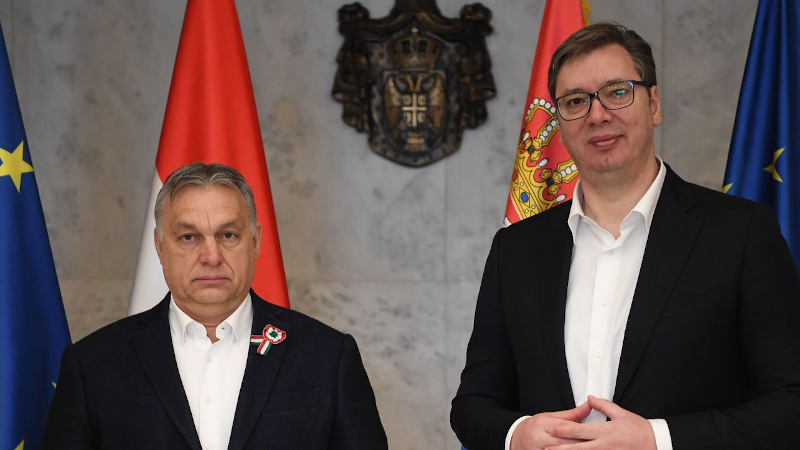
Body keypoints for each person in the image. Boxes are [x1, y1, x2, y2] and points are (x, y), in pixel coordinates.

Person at [451, 23, 800, 450]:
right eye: (575, 101)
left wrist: (658, 439)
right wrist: (517, 434)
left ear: (653, 104)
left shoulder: (741, 233)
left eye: (617, 92)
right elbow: (473, 404)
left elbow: (791, 403)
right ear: (560, 123)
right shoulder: (516, 250)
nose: (597, 115)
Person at [43, 162, 387, 449]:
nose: (211, 257)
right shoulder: (93, 365)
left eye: (228, 235)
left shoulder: (328, 356)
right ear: (160, 247)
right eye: (188, 237)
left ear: (255, 242)